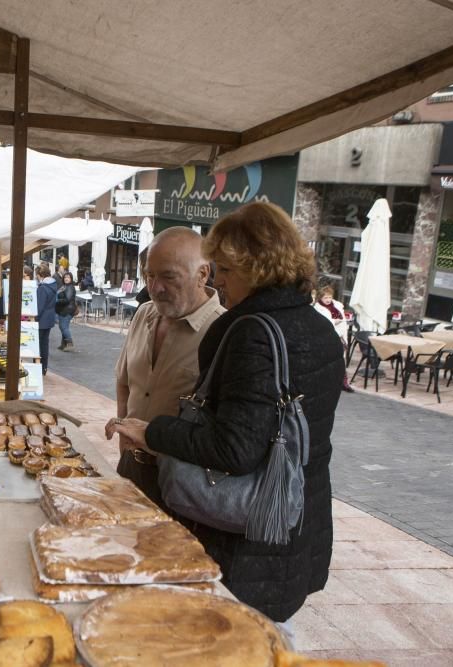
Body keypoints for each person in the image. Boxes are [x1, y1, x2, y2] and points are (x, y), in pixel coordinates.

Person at [108, 202, 343, 625]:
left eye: (226, 271)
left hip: (241, 531)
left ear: (256, 267)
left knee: (218, 634)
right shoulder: (320, 327)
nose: (219, 280)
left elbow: (234, 448)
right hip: (293, 517)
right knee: (263, 635)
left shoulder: (247, 329)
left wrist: (155, 432)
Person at [105, 228, 224, 509]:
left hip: (186, 485)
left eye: (168, 276)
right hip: (131, 468)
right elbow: (124, 381)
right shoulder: (144, 313)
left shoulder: (223, 331)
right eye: (149, 275)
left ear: (203, 274)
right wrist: (124, 437)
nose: (155, 287)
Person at [314, 285, 355, 393]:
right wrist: (333, 321)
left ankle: (343, 382)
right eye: (325, 298)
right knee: (329, 360)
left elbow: (343, 320)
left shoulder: (337, 305)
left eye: (329, 297)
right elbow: (322, 323)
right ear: (320, 298)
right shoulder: (318, 309)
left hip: (340, 336)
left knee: (341, 360)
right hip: (329, 337)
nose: (328, 300)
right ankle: (327, 382)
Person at [35, 263, 58, 375]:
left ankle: (39, 366)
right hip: (49, 319)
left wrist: (34, 318)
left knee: (38, 345)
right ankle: (44, 367)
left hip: (41, 320)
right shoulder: (53, 285)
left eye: (37, 275)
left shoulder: (43, 288)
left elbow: (39, 307)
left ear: (40, 274)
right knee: (45, 344)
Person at [55, 271, 78, 351]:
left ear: (71, 279)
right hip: (63, 309)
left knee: (63, 327)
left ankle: (70, 343)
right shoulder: (64, 286)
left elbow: (67, 299)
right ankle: (64, 344)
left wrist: (56, 301)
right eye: (65, 277)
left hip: (67, 310)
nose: (66, 279)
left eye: (68, 277)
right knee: (63, 327)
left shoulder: (70, 287)